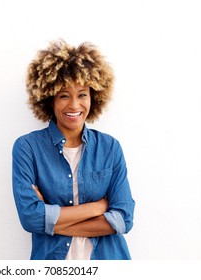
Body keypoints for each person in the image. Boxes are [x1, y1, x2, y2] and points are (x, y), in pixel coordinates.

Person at [12, 39, 135, 260]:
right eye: (64, 95)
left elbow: (124, 219)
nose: (74, 105)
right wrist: (99, 207)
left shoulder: (110, 148)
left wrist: (50, 221)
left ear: (94, 97)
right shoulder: (28, 148)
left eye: (82, 94)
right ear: (50, 99)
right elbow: (30, 218)